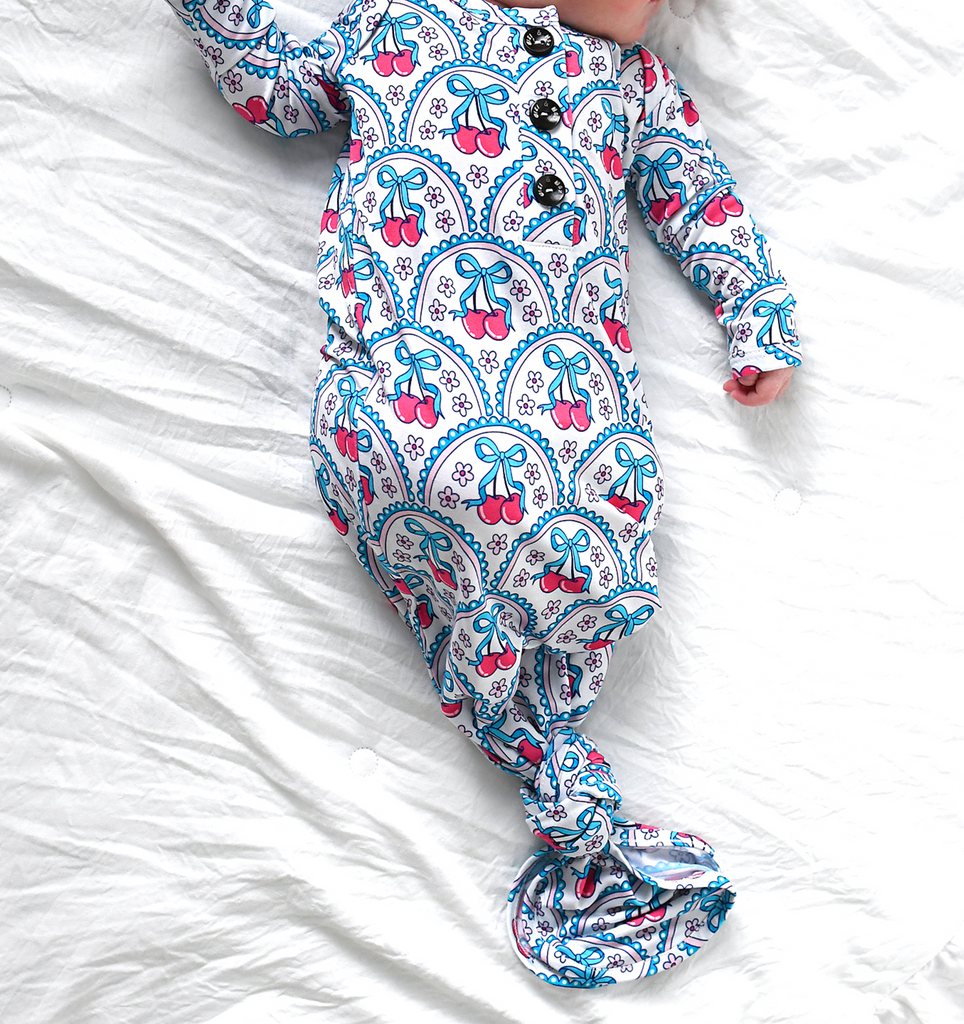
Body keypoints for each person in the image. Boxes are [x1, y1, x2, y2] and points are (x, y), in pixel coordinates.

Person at [165, 0, 801, 988]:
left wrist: (755, 313)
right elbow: (281, 96)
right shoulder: (401, 24)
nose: (651, 7)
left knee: (590, 527)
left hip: (566, 416)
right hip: (405, 393)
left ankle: (550, 757)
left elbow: (701, 199)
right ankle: (538, 745)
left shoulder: (630, 85)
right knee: (478, 532)